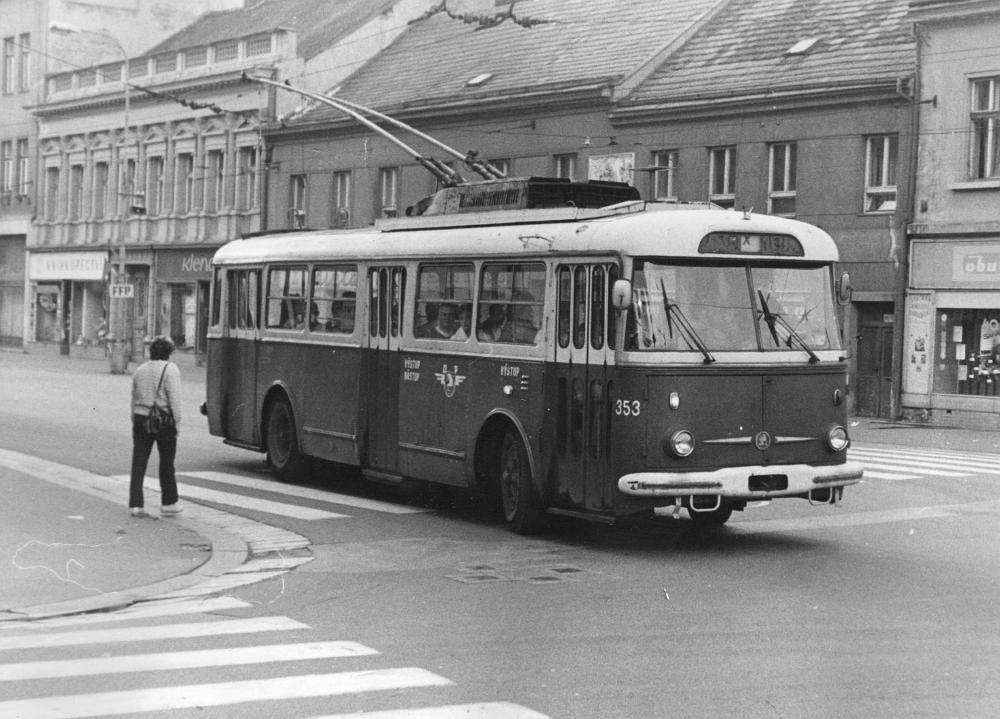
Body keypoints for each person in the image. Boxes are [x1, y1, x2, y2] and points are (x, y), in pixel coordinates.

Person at [129, 336, 183, 517]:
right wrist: (177, 422)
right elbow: (175, 399)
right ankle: (169, 503)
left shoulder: (140, 370)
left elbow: (133, 397)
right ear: (169, 353)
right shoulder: (170, 369)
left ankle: (136, 504)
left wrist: (134, 417)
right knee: (167, 462)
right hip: (163, 420)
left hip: (140, 417)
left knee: (139, 461)